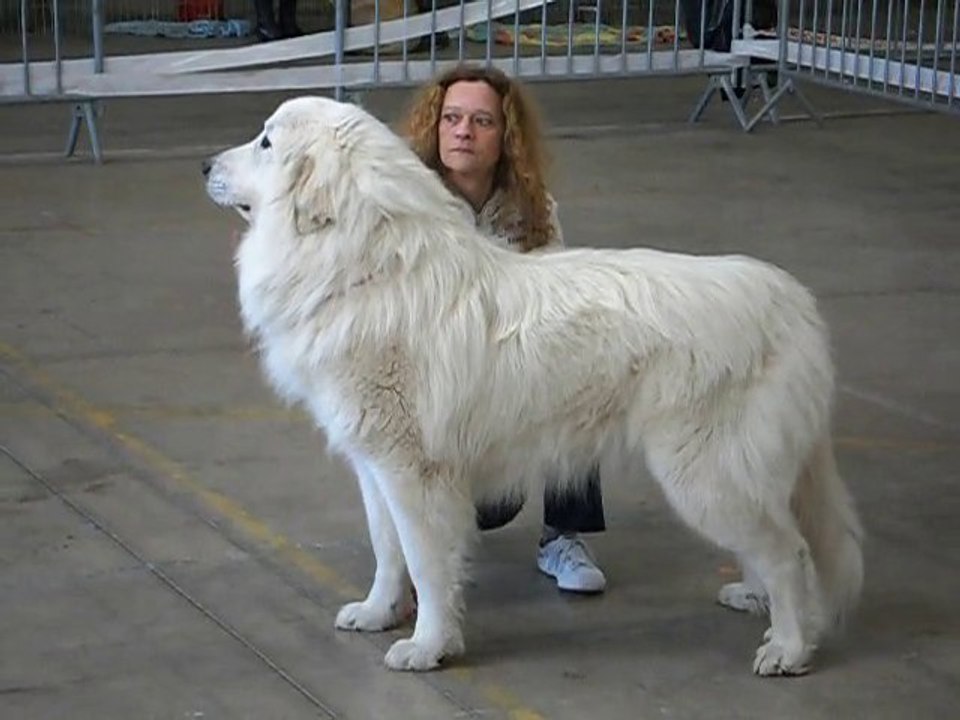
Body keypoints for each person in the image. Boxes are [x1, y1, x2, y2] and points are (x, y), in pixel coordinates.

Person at [400, 64, 607, 594]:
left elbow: (557, 301)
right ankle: (412, 553)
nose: (463, 132)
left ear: (506, 136)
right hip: (436, 387)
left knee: (586, 371)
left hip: (508, 374)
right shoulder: (404, 201)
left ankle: (563, 536)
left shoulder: (535, 208)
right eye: (451, 118)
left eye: (482, 121)